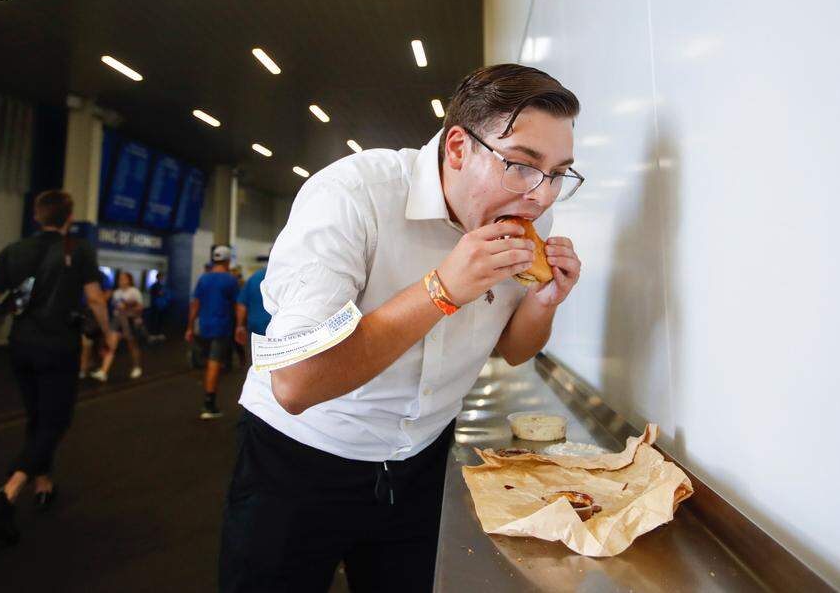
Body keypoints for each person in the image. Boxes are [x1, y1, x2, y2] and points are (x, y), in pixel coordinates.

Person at [219, 65, 584, 592]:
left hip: (422, 459)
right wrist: (442, 289)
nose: (541, 197)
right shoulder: (352, 197)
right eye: (522, 165)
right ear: (458, 148)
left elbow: (514, 349)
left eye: (558, 174)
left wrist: (544, 303)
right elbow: (296, 384)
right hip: (300, 460)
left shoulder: (529, 218)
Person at [0, 190, 116, 544]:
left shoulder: (12, 251)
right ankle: (9, 491)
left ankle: (44, 483)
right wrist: (109, 332)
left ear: (37, 216)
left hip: (21, 345)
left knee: (38, 417)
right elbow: (96, 297)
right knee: (57, 419)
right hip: (59, 346)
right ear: (68, 218)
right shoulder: (78, 248)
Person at [186, 245, 240, 419]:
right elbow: (237, 306)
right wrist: (240, 326)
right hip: (221, 327)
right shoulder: (231, 280)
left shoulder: (203, 279)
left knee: (208, 362)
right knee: (214, 363)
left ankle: (208, 390)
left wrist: (189, 327)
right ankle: (209, 404)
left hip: (203, 326)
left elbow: (195, 304)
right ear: (227, 260)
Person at [91, 272, 144, 381]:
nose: (121, 280)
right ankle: (103, 372)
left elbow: (140, 308)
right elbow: (114, 308)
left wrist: (127, 306)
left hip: (129, 321)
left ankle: (136, 367)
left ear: (129, 280)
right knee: (111, 345)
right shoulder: (117, 293)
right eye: (120, 278)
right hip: (117, 321)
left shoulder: (134, 292)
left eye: (124, 278)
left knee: (132, 345)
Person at [78, 268, 112, 379]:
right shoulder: (78, 273)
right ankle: (84, 367)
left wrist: (96, 302)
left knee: (96, 343)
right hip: (83, 313)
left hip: (93, 315)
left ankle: (98, 367)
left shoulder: (100, 275)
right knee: (86, 343)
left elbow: (108, 292)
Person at [233, 257, 271, 349]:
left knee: (254, 362)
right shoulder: (291, 278)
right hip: (284, 335)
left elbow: (242, 305)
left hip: (256, 333)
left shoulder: (255, 277)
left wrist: (240, 326)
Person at [146, 271, 170, 340]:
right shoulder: (155, 286)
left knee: (160, 320)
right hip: (155, 306)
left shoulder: (161, 286)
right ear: (158, 277)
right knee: (154, 320)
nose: (162, 278)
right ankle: (153, 334)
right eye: (161, 277)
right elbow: (158, 294)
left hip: (161, 306)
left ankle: (158, 333)